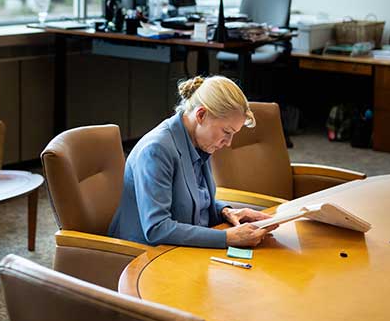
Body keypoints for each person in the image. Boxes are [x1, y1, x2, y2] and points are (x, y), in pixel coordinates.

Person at [109, 75, 275, 248]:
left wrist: (226, 211)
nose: (229, 143)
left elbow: (189, 202)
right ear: (201, 115)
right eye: (226, 131)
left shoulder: (198, 142)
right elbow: (157, 228)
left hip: (182, 248)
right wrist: (226, 238)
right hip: (146, 257)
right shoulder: (156, 150)